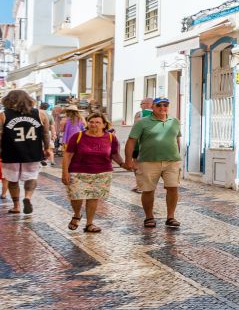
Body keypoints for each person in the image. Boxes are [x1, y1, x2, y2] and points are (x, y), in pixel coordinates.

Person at [124, 97, 183, 229]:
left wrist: (177, 156)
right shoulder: (142, 123)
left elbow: (176, 140)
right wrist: (129, 160)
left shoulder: (174, 121)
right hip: (148, 161)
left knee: (173, 188)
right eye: (159, 105)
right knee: (148, 190)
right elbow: (131, 141)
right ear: (153, 107)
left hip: (171, 161)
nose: (163, 108)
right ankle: (149, 217)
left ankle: (171, 217)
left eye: (165, 105)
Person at [62, 111, 123, 233]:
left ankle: (89, 223)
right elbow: (67, 155)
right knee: (76, 196)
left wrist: (124, 164)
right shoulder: (78, 136)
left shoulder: (111, 138)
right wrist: (65, 173)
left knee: (93, 198)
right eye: (91, 122)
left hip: (102, 172)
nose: (94, 124)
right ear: (87, 123)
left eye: (97, 122)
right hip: (78, 171)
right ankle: (77, 214)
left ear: (104, 124)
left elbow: (115, 154)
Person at [0, 90, 50, 215]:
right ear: (28, 99)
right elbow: (46, 133)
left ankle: (16, 206)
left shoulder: (3, 115)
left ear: (8, 100)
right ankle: (28, 197)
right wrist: (47, 148)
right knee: (31, 176)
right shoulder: (40, 114)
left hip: (10, 152)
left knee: (12, 180)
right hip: (33, 152)